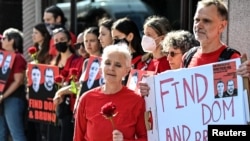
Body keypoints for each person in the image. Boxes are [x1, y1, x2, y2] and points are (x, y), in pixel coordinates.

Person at [139, 0, 241, 97]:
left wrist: (246, 78)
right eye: (196, 20)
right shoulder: (188, 57)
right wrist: (151, 90)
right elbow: (180, 95)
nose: (198, 25)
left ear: (222, 26)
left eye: (206, 21)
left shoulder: (231, 59)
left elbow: (235, 101)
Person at [73, 44, 147, 141]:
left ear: (127, 70)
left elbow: (145, 137)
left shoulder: (137, 101)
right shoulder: (86, 98)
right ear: (101, 67)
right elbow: (78, 137)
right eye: (107, 63)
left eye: (118, 65)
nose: (111, 68)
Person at [0, 28, 27, 141]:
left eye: (5, 38)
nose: (2, 41)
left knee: (16, 132)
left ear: (11, 41)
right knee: (1, 132)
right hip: (3, 98)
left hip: (13, 98)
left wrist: (3, 96)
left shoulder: (18, 57)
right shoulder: (2, 57)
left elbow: (18, 80)